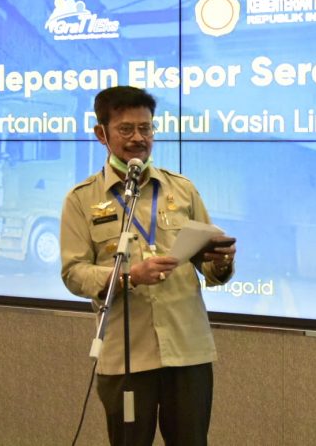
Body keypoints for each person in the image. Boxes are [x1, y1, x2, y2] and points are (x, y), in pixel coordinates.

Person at [60, 85, 236, 446]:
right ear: (101, 134)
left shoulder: (182, 190)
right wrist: (130, 277)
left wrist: (221, 262)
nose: (138, 138)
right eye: (126, 129)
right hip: (126, 355)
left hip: (187, 350)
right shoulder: (82, 199)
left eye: (146, 128)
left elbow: (210, 268)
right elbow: (74, 273)